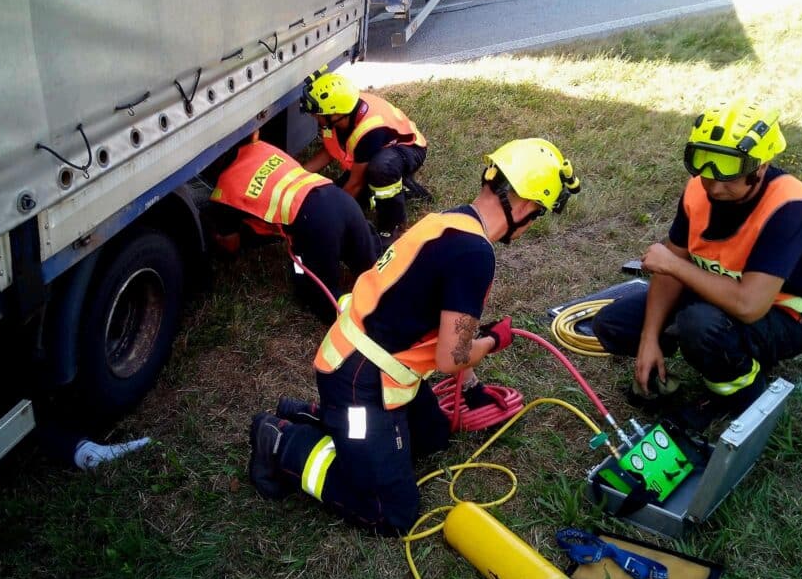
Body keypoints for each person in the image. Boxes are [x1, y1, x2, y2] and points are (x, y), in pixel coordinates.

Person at [247, 139, 581, 534]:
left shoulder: (450, 222)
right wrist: (494, 341)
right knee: (392, 512)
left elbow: (435, 324)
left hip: (375, 368)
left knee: (432, 436)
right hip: (358, 385)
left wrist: (472, 387)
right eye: (538, 214)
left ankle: (323, 420)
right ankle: (282, 442)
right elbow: (451, 358)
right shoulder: (475, 256)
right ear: (526, 206)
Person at [592, 100, 802, 426]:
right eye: (705, 164)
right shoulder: (698, 192)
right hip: (719, 296)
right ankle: (707, 353)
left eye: (729, 172)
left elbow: (749, 305)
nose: (714, 185)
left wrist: (674, 266)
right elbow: (671, 268)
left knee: (699, 324)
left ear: (761, 165)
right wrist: (649, 339)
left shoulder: (791, 209)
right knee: (612, 324)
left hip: (787, 316)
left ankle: (741, 394)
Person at [206, 135, 380, 323]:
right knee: (375, 269)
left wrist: (215, 236)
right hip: (339, 199)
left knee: (314, 294)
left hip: (315, 223)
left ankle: (359, 320)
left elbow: (231, 245)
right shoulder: (260, 148)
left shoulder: (223, 193)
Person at [299, 69, 429, 243]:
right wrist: (297, 174)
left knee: (380, 169)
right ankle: (406, 188)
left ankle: (392, 228)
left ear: (335, 114)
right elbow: (329, 152)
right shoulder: (342, 113)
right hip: (379, 152)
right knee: (335, 193)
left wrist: (333, 217)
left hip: (408, 148)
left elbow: (355, 183)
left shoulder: (370, 130)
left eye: (317, 113)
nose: (314, 116)